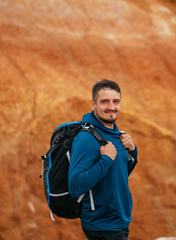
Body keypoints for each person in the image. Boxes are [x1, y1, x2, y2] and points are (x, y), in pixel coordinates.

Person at [68, 79, 138, 240]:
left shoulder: (116, 134)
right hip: (101, 224)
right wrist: (106, 159)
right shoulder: (86, 138)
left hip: (119, 220)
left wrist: (132, 152)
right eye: (105, 102)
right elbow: (75, 186)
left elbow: (118, 174)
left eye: (116, 101)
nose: (111, 107)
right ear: (93, 104)